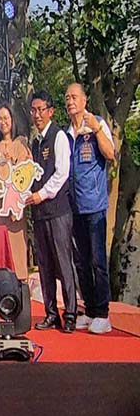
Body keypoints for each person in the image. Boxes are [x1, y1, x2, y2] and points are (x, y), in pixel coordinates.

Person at [65, 83, 115, 334]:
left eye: (74, 97)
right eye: (67, 98)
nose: (70, 101)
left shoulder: (96, 123)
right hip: (74, 207)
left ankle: (103, 314)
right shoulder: (66, 133)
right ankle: (91, 309)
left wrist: (96, 129)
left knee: (97, 261)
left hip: (94, 205)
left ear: (84, 100)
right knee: (81, 262)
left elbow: (110, 154)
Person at [25, 90, 77, 333]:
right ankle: (51, 313)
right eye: (33, 110)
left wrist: (42, 194)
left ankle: (71, 314)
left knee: (63, 263)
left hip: (58, 211)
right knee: (44, 265)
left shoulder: (59, 137)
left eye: (40, 110)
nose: (37, 115)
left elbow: (62, 173)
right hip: (39, 213)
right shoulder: (34, 142)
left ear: (51, 111)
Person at [0, 104, 31, 280]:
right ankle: (3, 284)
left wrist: (13, 162)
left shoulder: (20, 143)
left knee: (17, 247)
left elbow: (25, 175)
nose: (3, 122)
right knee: (1, 248)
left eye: (6, 118)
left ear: (12, 120)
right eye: (0, 119)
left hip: (15, 205)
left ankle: (21, 283)